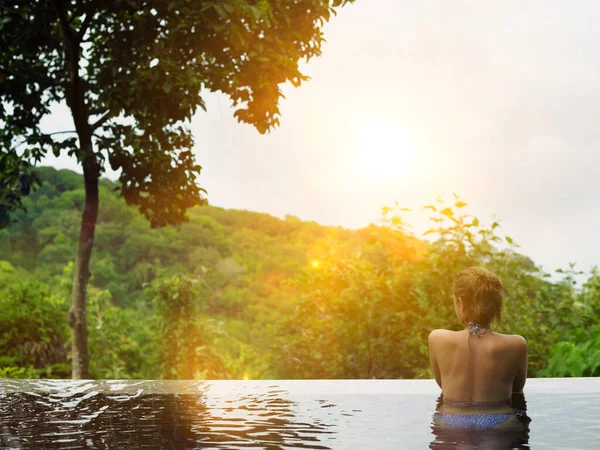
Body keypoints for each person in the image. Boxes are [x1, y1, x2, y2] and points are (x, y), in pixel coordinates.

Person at [428, 266, 528, 433]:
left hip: (451, 421)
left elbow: (443, 385)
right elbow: (516, 390)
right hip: (499, 421)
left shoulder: (437, 339)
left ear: (460, 304)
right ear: (497, 307)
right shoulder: (517, 344)